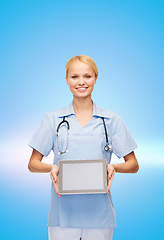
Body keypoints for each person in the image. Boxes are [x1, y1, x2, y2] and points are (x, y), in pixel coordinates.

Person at [28, 55, 139, 240]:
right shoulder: (52, 119)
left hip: (99, 216)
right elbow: (32, 164)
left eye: (87, 76)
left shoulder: (111, 120)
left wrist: (113, 167)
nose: (81, 82)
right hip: (62, 215)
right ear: (67, 80)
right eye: (74, 77)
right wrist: (51, 167)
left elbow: (133, 164)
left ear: (95, 78)